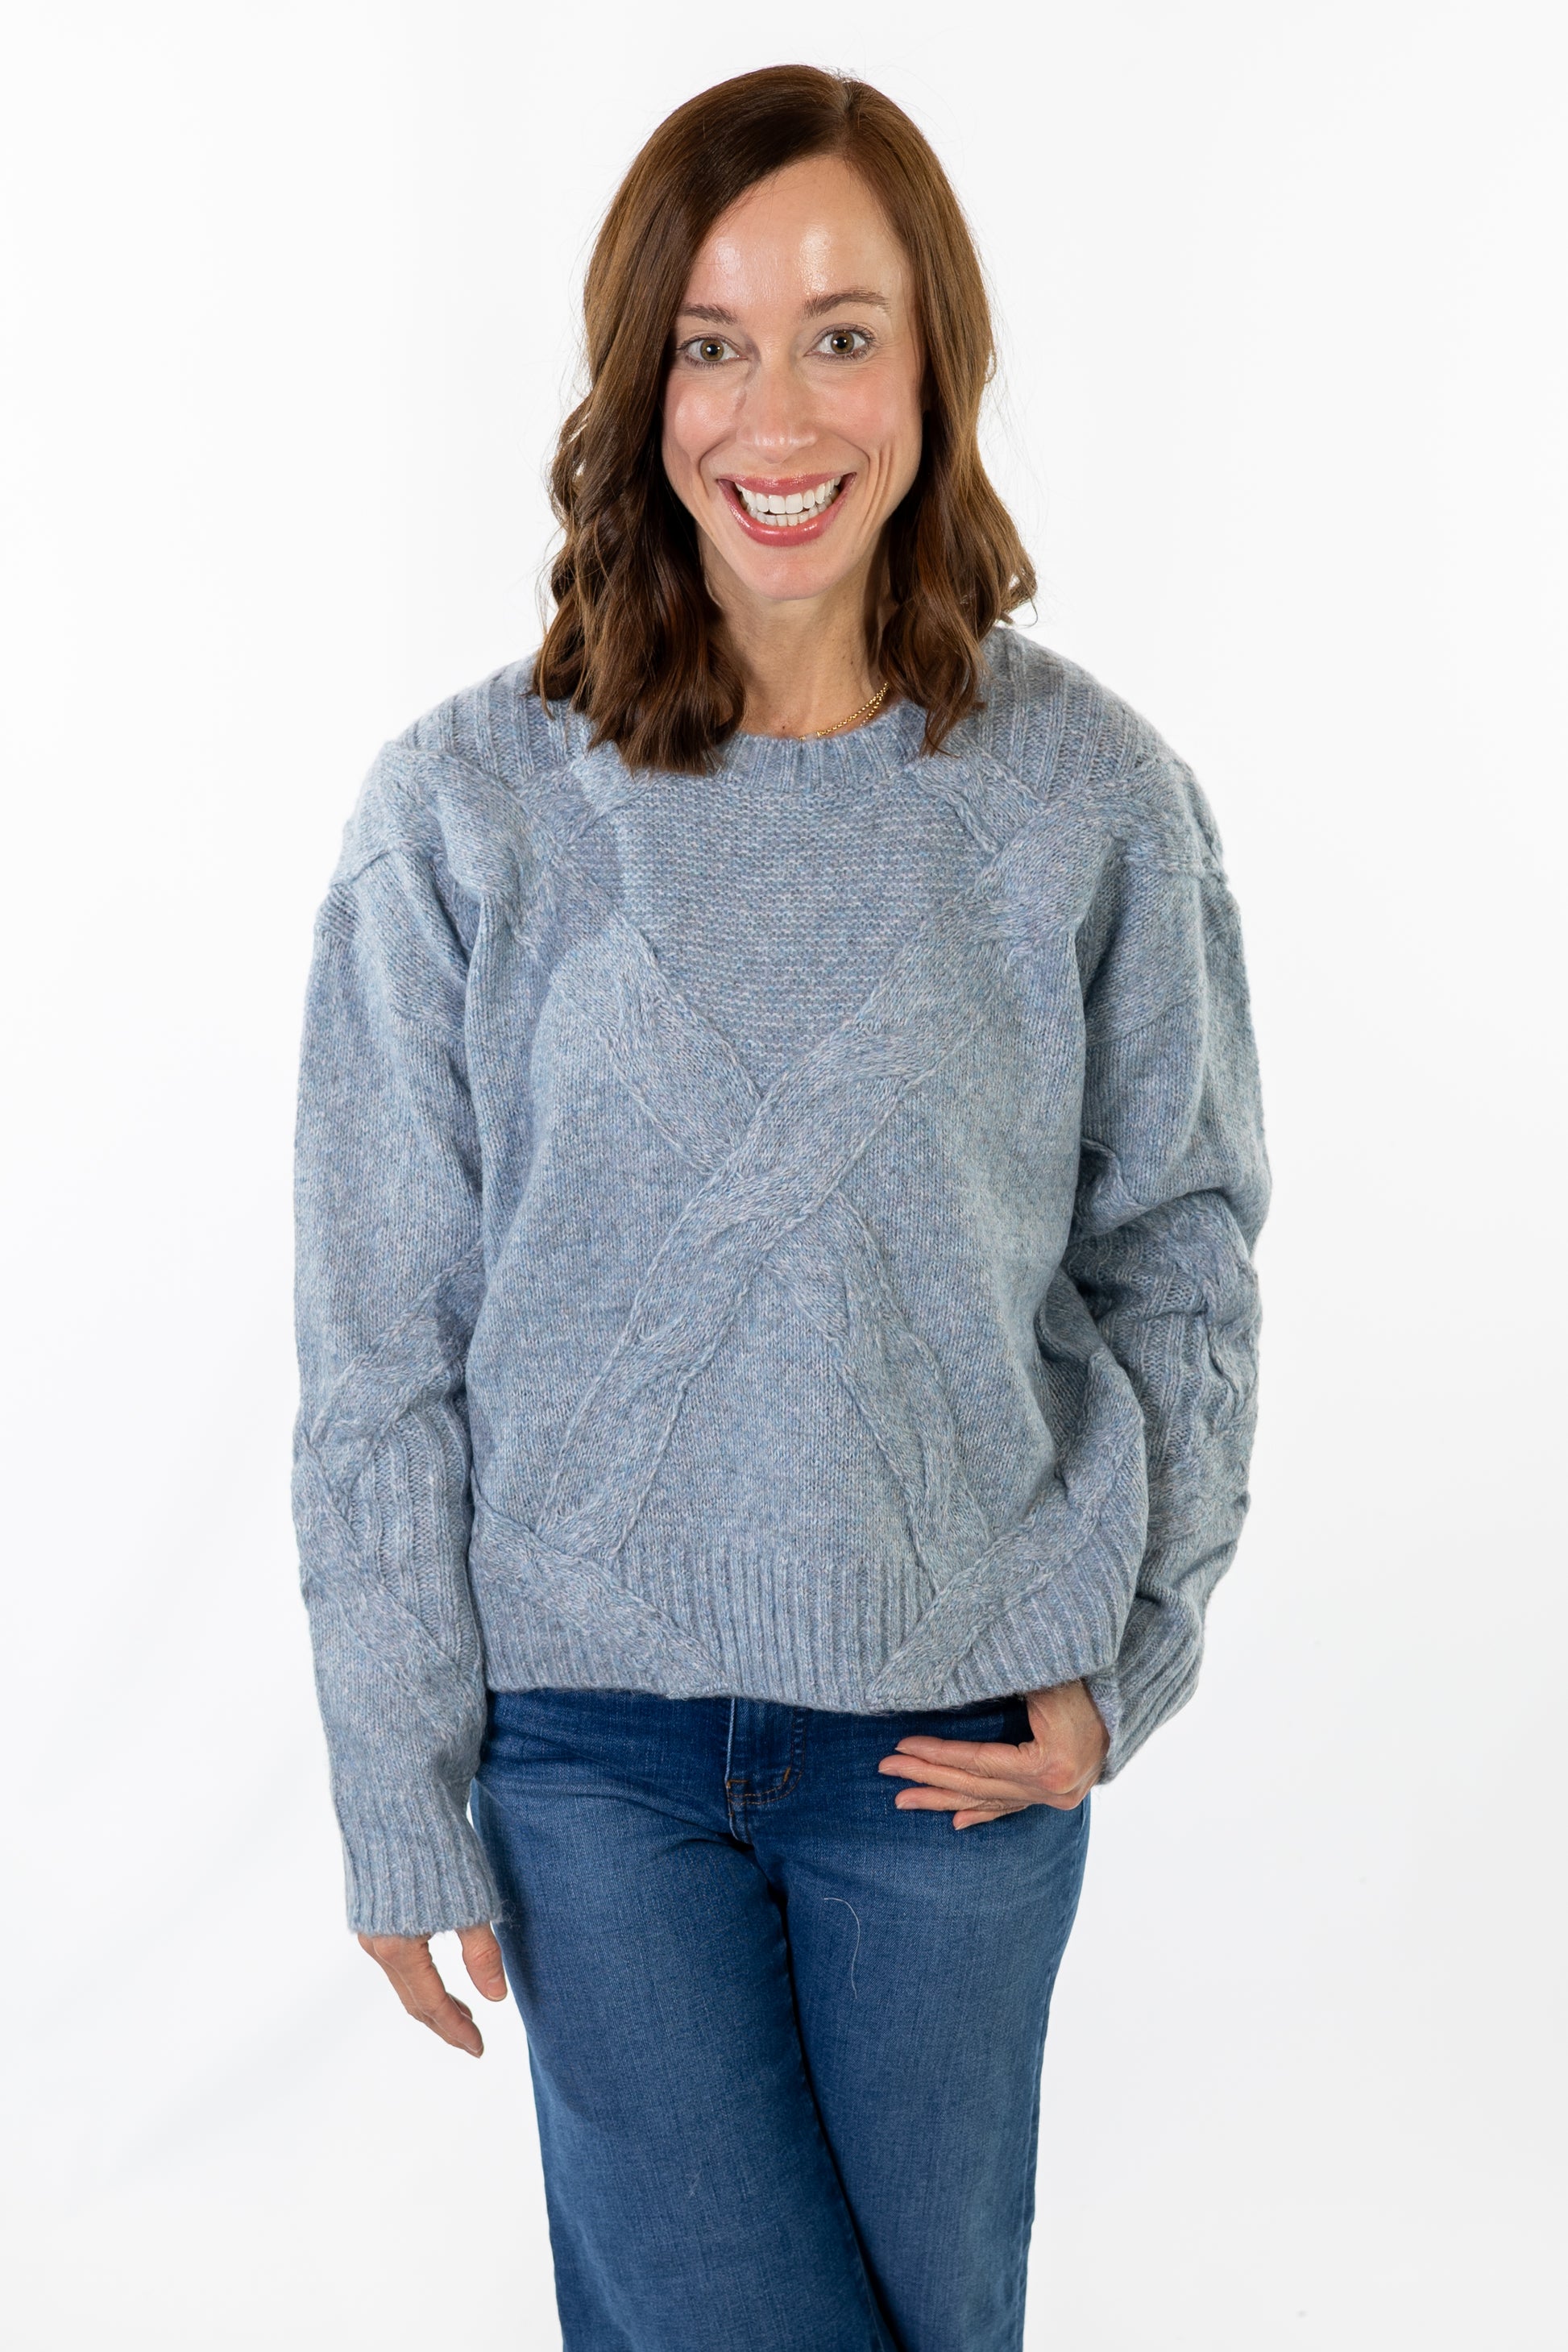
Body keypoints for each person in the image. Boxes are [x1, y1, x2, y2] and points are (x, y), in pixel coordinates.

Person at [291, 63, 1269, 2352]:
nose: (773, 409)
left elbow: (1183, 1248)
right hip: (596, 1747)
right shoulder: (464, 812)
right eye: (709, 343)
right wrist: (394, 1785)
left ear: (935, 364)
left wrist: (1131, 1654)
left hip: (948, 1744)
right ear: (637, 393)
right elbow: (377, 1337)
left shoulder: (1089, 800)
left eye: (841, 331)